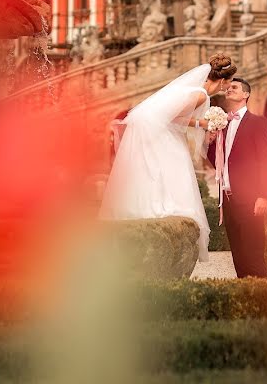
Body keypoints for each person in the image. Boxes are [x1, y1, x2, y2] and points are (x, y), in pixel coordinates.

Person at [99, 53, 238, 261]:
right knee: (172, 172)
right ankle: (164, 214)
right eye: (227, 84)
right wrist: (203, 123)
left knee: (156, 172)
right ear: (221, 80)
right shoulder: (200, 94)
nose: (226, 88)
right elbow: (173, 116)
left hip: (158, 129)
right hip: (162, 133)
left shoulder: (195, 90)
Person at [207, 78, 267, 277]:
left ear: (246, 94)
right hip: (228, 200)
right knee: (238, 258)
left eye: (234, 87)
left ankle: (266, 300)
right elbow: (218, 162)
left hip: (250, 199)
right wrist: (211, 142)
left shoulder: (257, 122)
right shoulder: (224, 125)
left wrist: (264, 195)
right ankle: (246, 301)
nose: (229, 89)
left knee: (253, 257)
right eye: (228, 87)